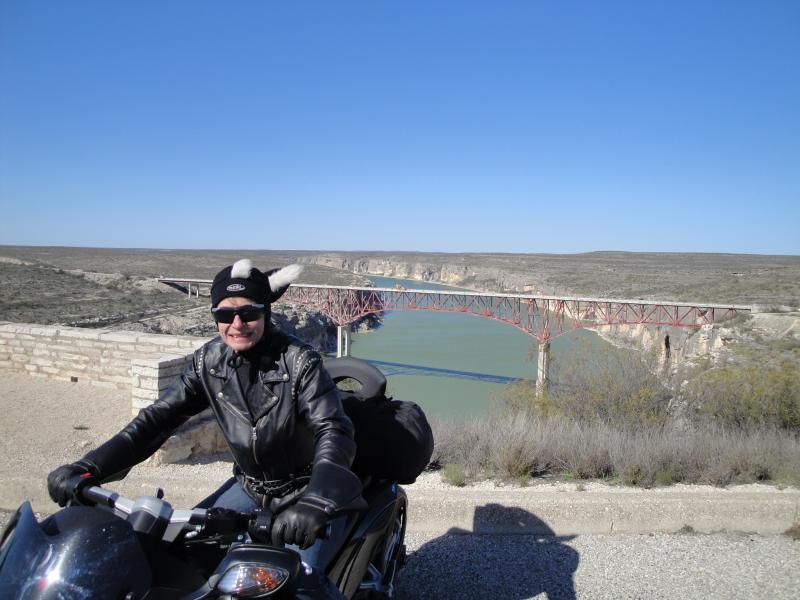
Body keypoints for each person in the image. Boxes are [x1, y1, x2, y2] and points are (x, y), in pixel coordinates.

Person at [47, 259, 362, 600]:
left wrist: (316, 502)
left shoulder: (300, 362)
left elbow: (333, 430)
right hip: (251, 487)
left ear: (267, 313)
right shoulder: (207, 362)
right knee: (179, 555)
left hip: (305, 492)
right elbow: (157, 419)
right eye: (225, 315)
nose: (237, 324)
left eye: (249, 313)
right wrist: (90, 467)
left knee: (301, 585)